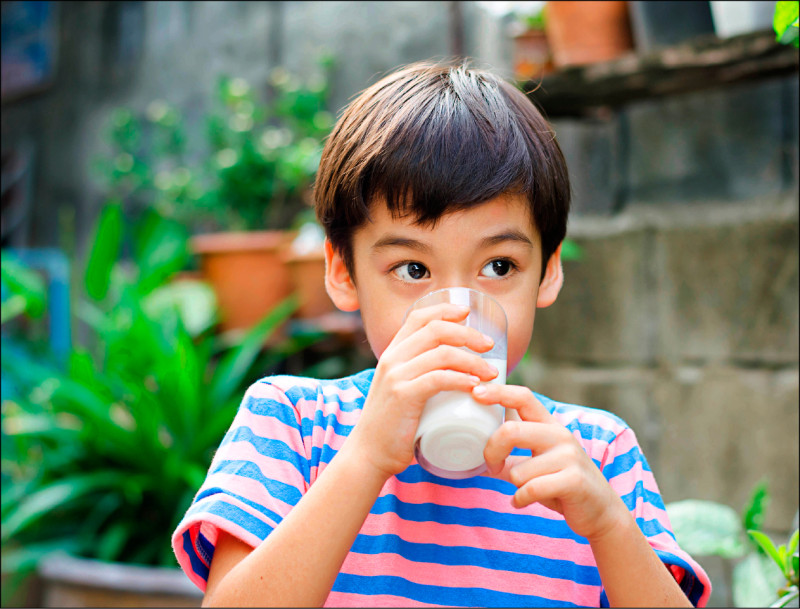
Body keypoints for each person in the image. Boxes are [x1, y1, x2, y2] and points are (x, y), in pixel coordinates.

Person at [172, 60, 711, 607]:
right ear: (341, 272)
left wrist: (609, 527)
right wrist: (364, 459)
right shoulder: (294, 426)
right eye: (412, 270)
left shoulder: (596, 456)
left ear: (548, 270)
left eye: (498, 267)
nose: (455, 314)